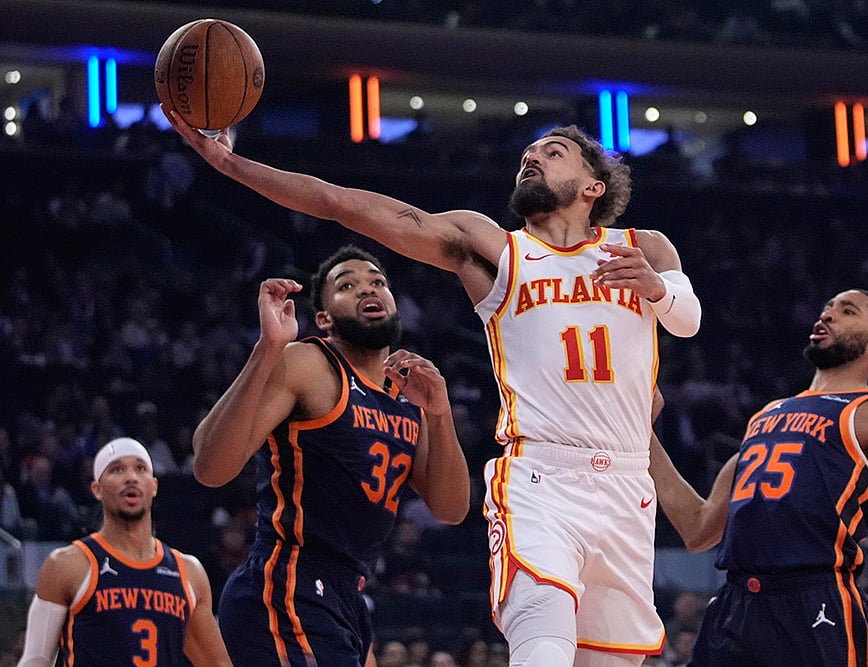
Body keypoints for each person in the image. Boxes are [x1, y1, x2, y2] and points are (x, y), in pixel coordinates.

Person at [166, 108, 702, 665]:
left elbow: (687, 320)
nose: (532, 157)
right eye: (528, 153)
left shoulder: (647, 248)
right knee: (541, 636)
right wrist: (230, 164)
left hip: (626, 484)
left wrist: (658, 292)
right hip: (541, 476)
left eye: (552, 151)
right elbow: (343, 203)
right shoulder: (495, 249)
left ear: (593, 184)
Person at [649, 289, 868, 666]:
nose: (829, 315)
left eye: (848, 311)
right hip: (735, 605)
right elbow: (698, 529)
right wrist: (641, 431)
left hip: (817, 601)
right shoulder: (767, 414)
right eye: (827, 308)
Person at [190, 244, 471, 667]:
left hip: (348, 595)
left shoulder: (407, 392)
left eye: (377, 282)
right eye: (347, 285)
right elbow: (210, 467)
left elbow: (451, 508)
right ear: (324, 318)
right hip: (287, 582)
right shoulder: (309, 362)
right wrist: (268, 350)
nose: (366, 289)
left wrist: (440, 412)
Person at [16, 437, 232, 666]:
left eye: (140, 469)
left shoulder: (188, 572)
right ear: (97, 489)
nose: (131, 477)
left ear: (154, 486)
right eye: (117, 469)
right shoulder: (67, 565)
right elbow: (36, 660)